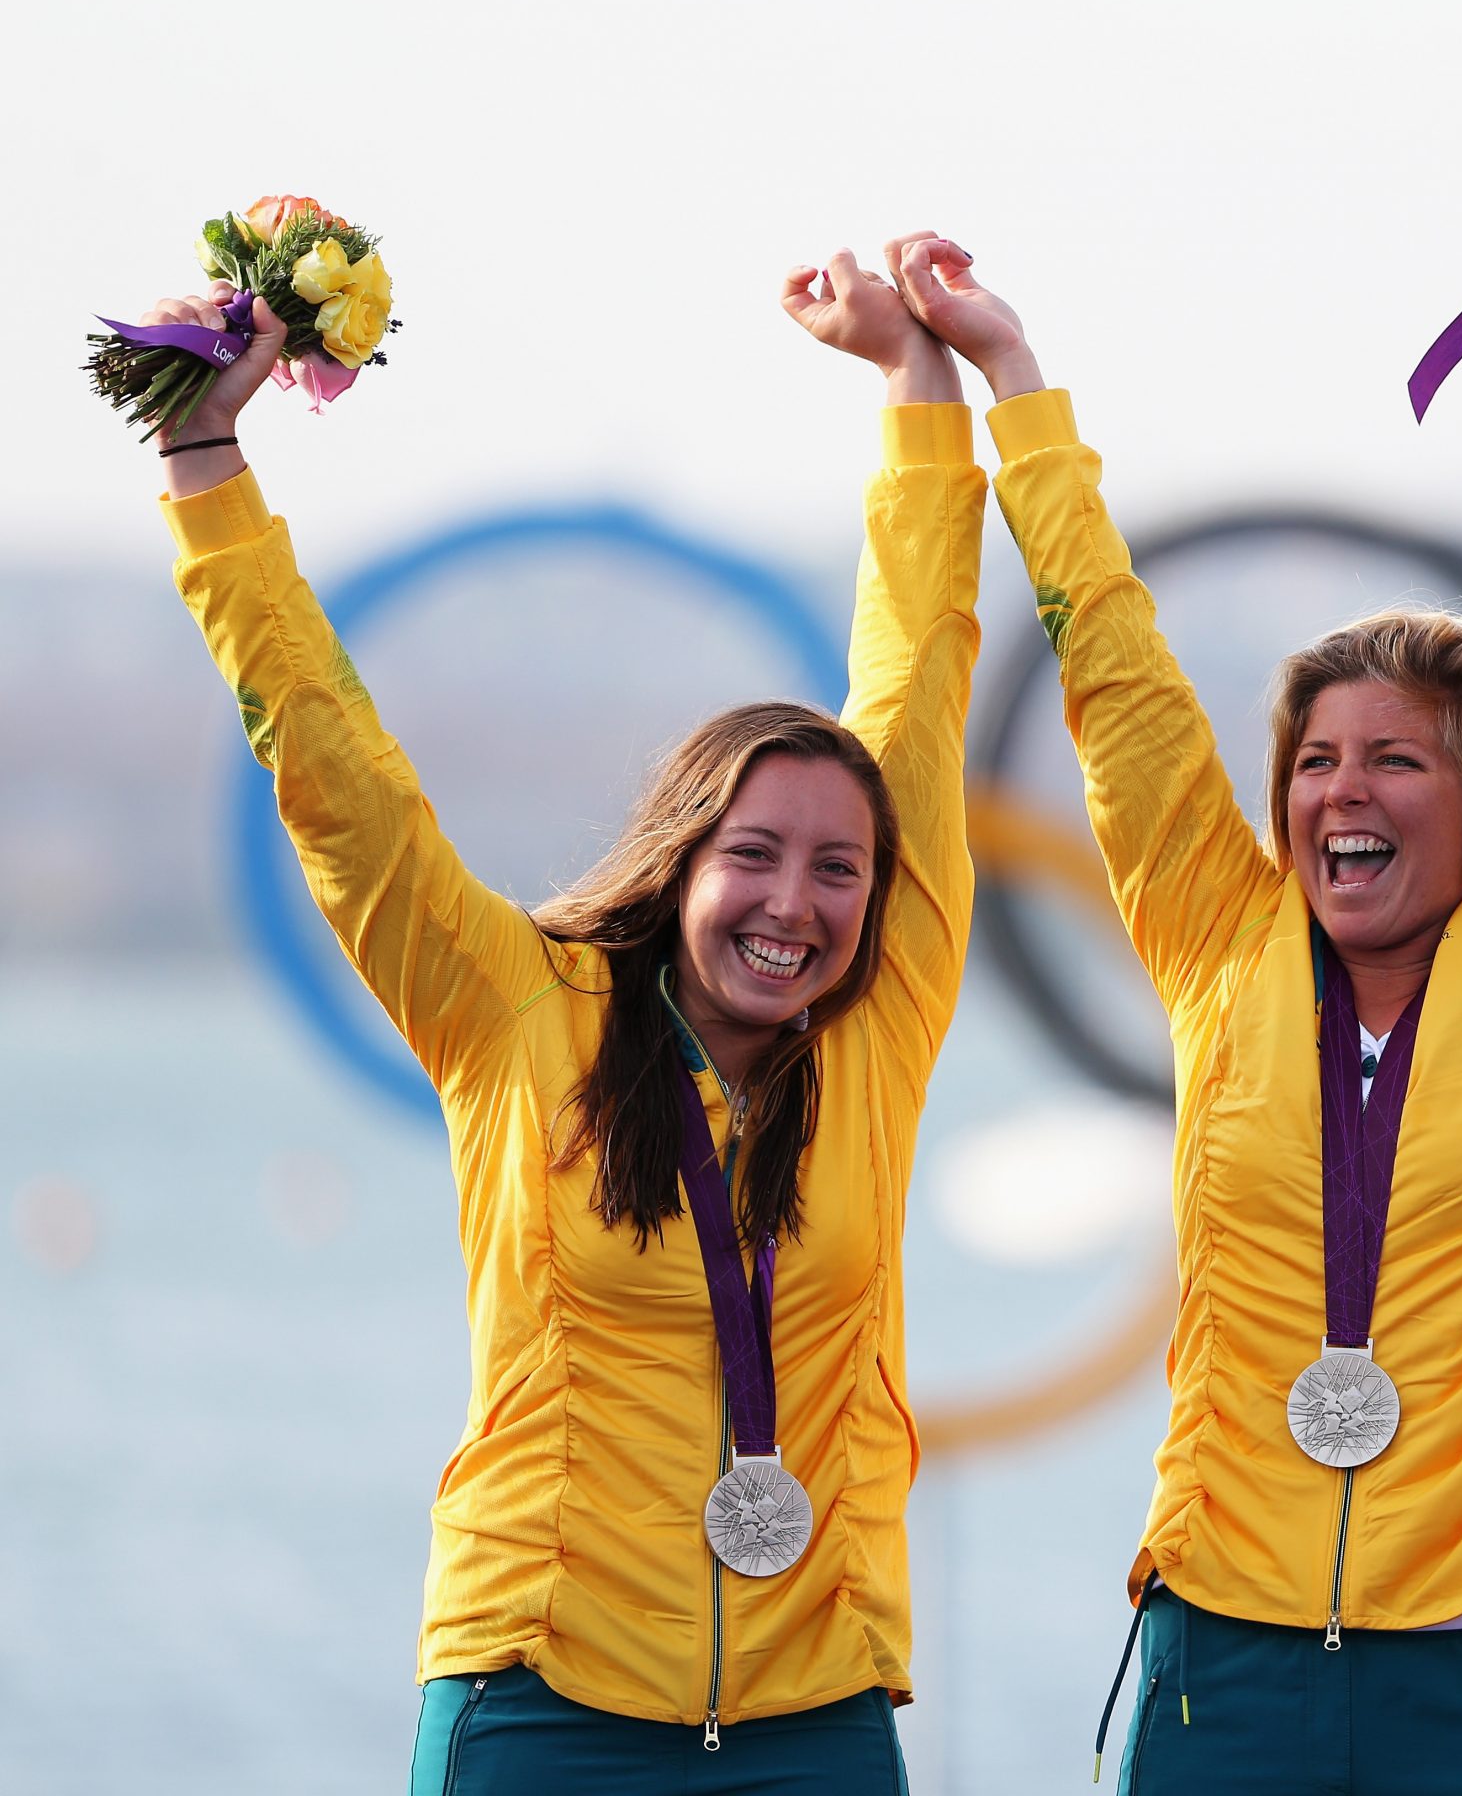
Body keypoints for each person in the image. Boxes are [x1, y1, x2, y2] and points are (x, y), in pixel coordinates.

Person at [132, 233, 987, 1793]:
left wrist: (918, 387)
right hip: (539, 1699)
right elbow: (338, 780)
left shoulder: (881, 1028)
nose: (795, 904)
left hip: (815, 1720)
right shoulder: (513, 1007)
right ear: (678, 865)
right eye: (753, 857)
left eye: (839, 870)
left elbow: (919, 675)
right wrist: (205, 463)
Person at [880, 167, 1462, 1794]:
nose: (1341, 794)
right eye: (1314, 761)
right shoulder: (1219, 940)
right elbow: (1109, 665)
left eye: (1397, 760)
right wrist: (1012, 386)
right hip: (1219, 1673)